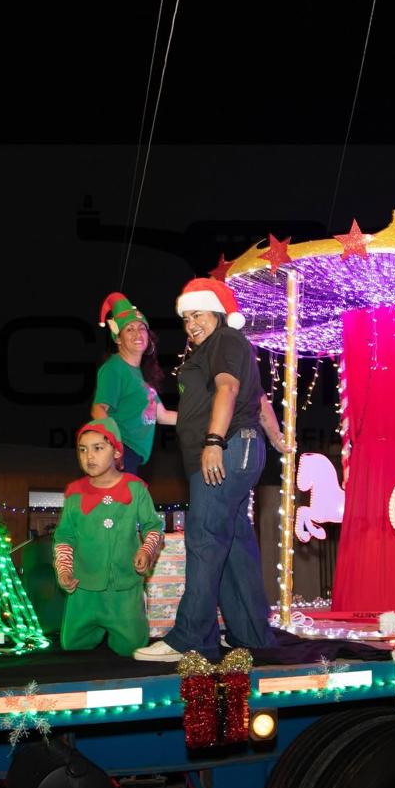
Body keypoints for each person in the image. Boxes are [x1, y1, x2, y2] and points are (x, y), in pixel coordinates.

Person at [134, 278, 289, 662]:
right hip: (239, 445)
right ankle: (251, 633)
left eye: (198, 314)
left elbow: (228, 391)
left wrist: (214, 442)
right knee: (234, 544)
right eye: (186, 318)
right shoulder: (219, 348)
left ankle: (190, 638)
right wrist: (277, 438)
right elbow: (258, 400)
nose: (191, 324)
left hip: (228, 446)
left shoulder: (225, 341)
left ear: (218, 313)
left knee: (203, 538)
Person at [53, 418, 165, 656]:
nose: (88, 456)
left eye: (97, 448)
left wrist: (146, 550)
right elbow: (64, 537)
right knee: (72, 646)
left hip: (124, 589)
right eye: (82, 450)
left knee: (133, 649)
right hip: (84, 588)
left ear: (116, 451)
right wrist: (64, 569)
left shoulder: (136, 489)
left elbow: (153, 526)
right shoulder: (75, 494)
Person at [92, 292, 176, 475]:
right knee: (116, 503)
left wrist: (205, 418)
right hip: (120, 453)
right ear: (118, 339)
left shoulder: (141, 376)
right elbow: (98, 410)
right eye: (129, 329)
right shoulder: (114, 368)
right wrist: (115, 446)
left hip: (134, 456)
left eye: (142, 328)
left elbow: (163, 415)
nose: (138, 333)